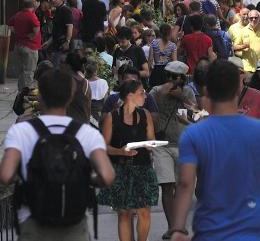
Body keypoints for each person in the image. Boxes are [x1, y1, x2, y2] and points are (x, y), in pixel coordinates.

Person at [170, 60, 260, 240]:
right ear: (238, 89)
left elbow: (185, 184)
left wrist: (178, 229)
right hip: (251, 232)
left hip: (209, 232)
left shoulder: (193, 134)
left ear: (206, 91)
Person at [0, 69, 115, 240]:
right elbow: (107, 176)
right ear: (70, 97)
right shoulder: (86, 133)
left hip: (33, 221)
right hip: (74, 222)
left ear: (40, 96)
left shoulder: (21, 131)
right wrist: (84, 178)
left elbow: (5, 175)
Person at [98, 79, 158, 241]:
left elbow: (151, 139)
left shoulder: (145, 115)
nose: (144, 96)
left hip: (143, 167)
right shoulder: (112, 117)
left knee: (144, 212)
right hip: (121, 168)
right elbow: (103, 146)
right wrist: (120, 152)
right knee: (124, 214)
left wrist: (151, 144)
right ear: (130, 96)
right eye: (141, 93)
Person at [148, 61, 196, 240]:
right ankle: (172, 227)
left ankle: (179, 224)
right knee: (167, 186)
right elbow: (150, 111)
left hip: (183, 144)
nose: (173, 80)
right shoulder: (155, 91)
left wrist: (182, 97)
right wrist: (163, 93)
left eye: (177, 77)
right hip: (161, 145)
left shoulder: (188, 92)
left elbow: (196, 114)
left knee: (181, 187)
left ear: (183, 78)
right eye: (170, 76)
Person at [8, 0, 41, 93]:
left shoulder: (18, 14)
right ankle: (26, 93)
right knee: (29, 71)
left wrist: (17, 33)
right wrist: (31, 36)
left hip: (19, 45)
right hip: (30, 47)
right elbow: (36, 29)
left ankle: (20, 91)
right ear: (33, 4)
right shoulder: (31, 16)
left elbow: (9, 25)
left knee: (22, 71)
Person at [44, 0, 73, 66]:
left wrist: (67, 41)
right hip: (57, 43)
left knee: (58, 66)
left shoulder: (65, 10)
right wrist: (49, 41)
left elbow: (70, 26)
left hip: (62, 44)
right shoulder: (58, 10)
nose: (53, 0)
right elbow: (56, 29)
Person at [241, 9, 260, 75]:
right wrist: (243, 47)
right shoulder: (243, 30)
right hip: (248, 67)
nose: (253, 19)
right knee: (249, 85)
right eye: (251, 18)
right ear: (248, 19)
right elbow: (235, 47)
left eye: (256, 18)